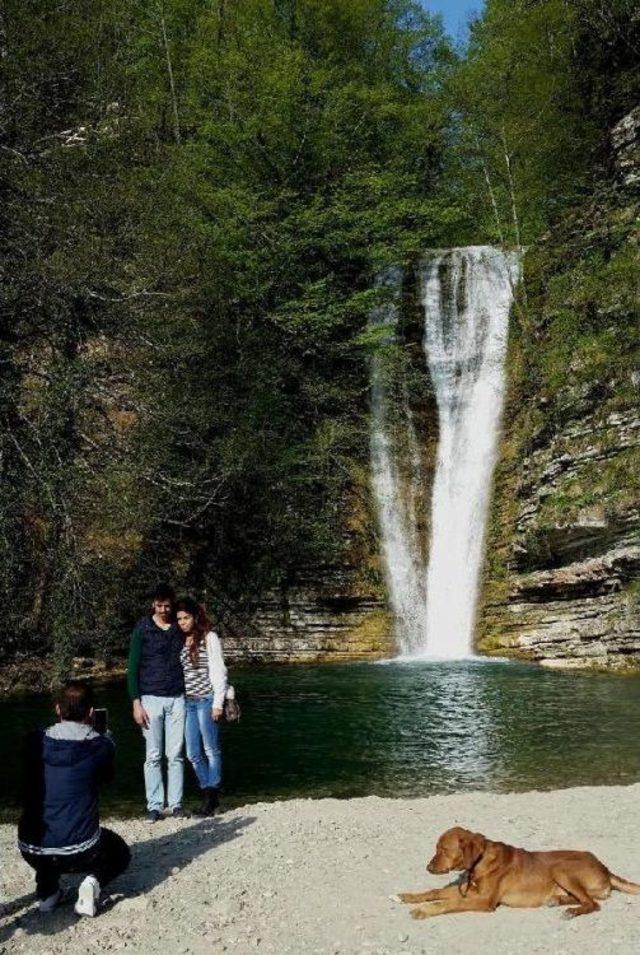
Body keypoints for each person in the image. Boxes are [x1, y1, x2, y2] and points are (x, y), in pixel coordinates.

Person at [18, 681, 130, 917]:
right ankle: (92, 883)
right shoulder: (100, 746)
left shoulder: (34, 742)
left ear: (58, 709)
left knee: (48, 831)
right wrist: (106, 737)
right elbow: (107, 779)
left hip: (30, 847)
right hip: (78, 849)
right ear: (91, 712)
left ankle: (47, 894)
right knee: (119, 851)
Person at [127, 582, 186, 822]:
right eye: (159, 605)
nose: (163, 609)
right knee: (153, 755)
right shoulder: (142, 628)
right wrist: (135, 702)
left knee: (175, 754)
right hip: (150, 698)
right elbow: (132, 667)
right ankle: (153, 804)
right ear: (153, 604)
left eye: (167, 605)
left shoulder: (179, 627)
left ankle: (176, 804)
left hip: (177, 698)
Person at [176, 596, 228, 816]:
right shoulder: (180, 640)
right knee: (192, 753)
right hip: (188, 702)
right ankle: (208, 791)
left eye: (186, 618)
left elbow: (219, 670)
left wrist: (218, 703)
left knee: (211, 749)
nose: (182, 622)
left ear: (195, 617)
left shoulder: (209, 638)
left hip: (206, 700)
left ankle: (210, 796)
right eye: (179, 619)